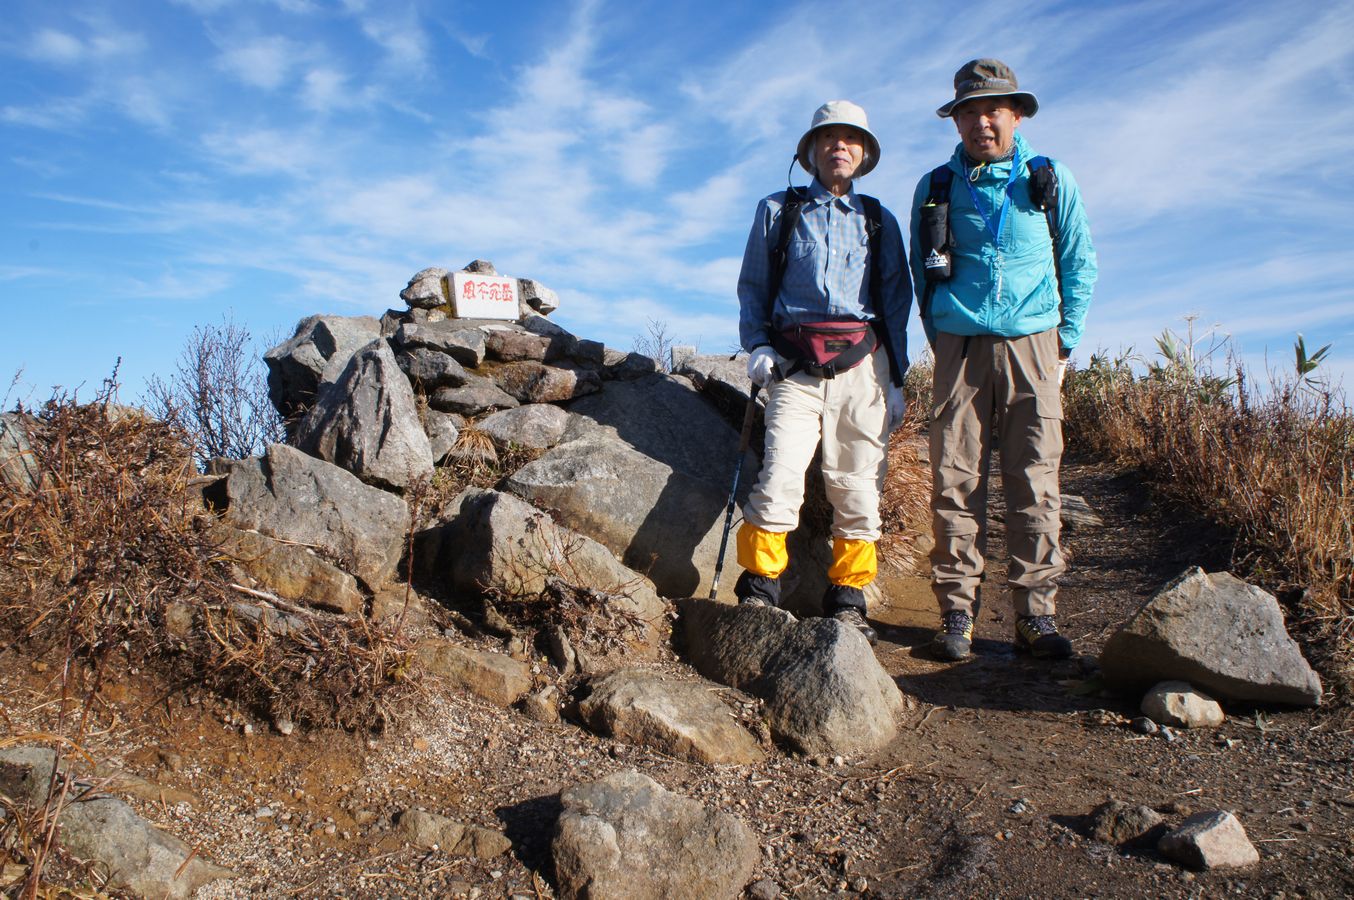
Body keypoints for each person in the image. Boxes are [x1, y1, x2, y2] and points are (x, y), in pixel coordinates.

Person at [909, 59, 1097, 661]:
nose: (980, 122)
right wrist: (941, 336)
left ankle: (1034, 616)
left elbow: (1079, 260)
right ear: (956, 119)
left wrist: (1064, 340)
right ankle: (956, 614)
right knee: (954, 480)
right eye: (968, 111)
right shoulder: (936, 185)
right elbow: (922, 270)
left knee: (1035, 479)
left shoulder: (1049, 178)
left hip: (1034, 345)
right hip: (958, 347)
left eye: (993, 109)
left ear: (1016, 114)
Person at [733, 100, 911, 646]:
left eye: (851, 139)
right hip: (793, 364)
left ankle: (850, 598)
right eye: (828, 138)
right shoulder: (777, 210)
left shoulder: (880, 220)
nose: (840, 147)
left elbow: (897, 302)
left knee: (858, 486)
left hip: (865, 367)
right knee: (780, 474)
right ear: (810, 151)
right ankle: (761, 586)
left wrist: (898, 376)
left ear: (864, 153)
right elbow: (754, 287)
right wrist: (758, 344)